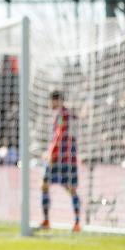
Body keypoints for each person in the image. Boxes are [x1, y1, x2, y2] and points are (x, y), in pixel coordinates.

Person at [41, 90, 81, 233]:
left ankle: (47, 221)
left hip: (60, 158)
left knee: (46, 185)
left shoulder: (62, 115)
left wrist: (51, 153)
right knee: (70, 189)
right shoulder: (69, 114)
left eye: (52, 101)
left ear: (57, 101)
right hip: (70, 158)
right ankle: (77, 222)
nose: (50, 104)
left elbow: (59, 134)